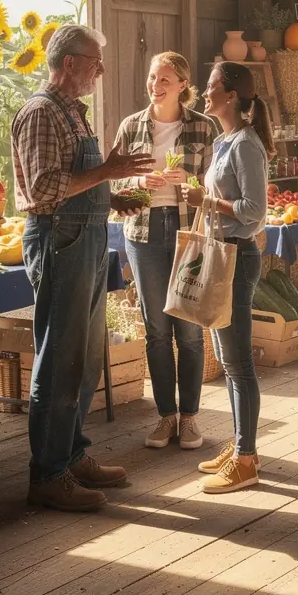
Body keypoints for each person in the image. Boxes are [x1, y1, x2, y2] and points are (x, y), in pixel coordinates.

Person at [12, 24, 154, 512]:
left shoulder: (73, 112)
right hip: (60, 239)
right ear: (69, 63)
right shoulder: (40, 113)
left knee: (88, 354)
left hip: (88, 236)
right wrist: (107, 173)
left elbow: (75, 182)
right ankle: (46, 475)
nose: (101, 69)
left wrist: (109, 196)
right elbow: (44, 190)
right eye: (95, 60)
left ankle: (71, 456)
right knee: (59, 358)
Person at [113, 52, 219, 452]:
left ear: (182, 85)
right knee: (156, 330)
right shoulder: (131, 126)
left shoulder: (203, 127)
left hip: (188, 230)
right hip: (142, 230)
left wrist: (188, 180)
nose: (156, 84)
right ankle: (165, 417)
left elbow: (217, 187)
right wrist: (141, 178)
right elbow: (115, 182)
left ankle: (189, 417)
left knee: (189, 330)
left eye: (165, 78)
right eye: (153, 76)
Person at [183, 62, 270, 494]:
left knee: (238, 363)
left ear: (231, 95)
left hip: (237, 257)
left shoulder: (246, 146)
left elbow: (255, 211)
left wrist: (208, 201)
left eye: (212, 85)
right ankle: (240, 445)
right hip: (223, 256)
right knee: (228, 359)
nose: (204, 90)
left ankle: (247, 459)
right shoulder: (224, 142)